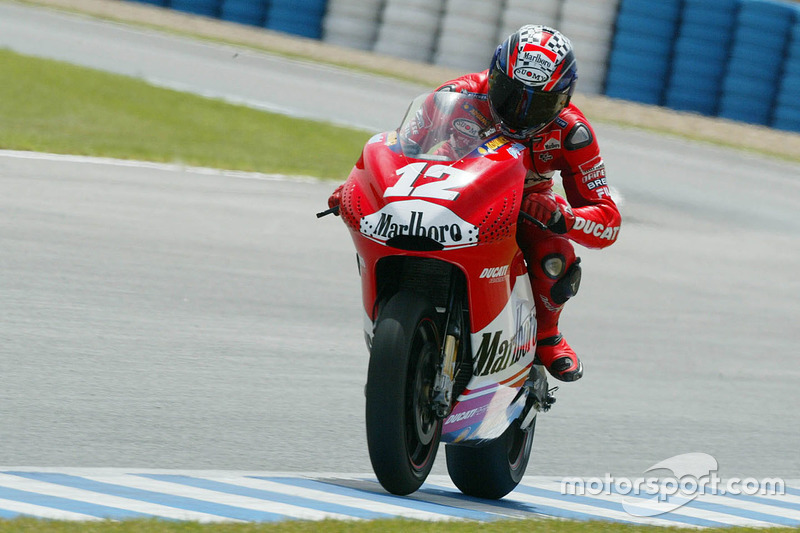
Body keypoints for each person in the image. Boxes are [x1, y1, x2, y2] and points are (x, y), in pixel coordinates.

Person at [328, 25, 621, 382]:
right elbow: (400, 150)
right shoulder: (457, 94)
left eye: (537, 103)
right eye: (510, 94)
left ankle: (546, 334)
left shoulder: (573, 133)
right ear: (495, 75)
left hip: (525, 207)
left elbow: (608, 220)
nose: (518, 112)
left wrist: (565, 217)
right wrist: (356, 187)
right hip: (456, 192)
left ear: (563, 99)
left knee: (555, 257)